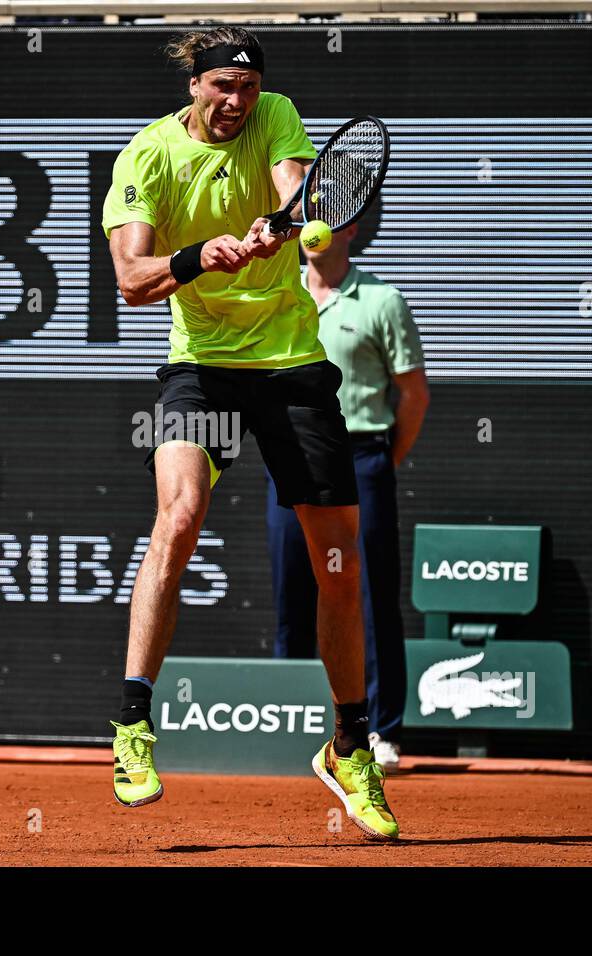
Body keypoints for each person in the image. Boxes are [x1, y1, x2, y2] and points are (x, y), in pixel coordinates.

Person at [100, 25, 399, 841]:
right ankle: (132, 726)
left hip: (294, 366)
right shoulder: (147, 158)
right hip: (202, 367)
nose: (236, 101)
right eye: (220, 87)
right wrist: (199, 258)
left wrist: (279, 221)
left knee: (338, 564)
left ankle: (348, 747)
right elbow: (131, 281)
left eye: (247, 87)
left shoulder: (277, 115)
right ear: (193, 86)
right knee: (180, 515)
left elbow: (307, 196)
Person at [265, 210, 429, 770]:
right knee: (293, 594)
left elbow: (413, 394)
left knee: (370, 597)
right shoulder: (281, 294)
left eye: (332, 223)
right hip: (292, 458)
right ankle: (287, 723)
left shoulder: (383, 302)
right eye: (310, 220)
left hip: (362, 458)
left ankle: (379, 731)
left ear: (352, 232)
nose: (317, 232)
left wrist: (383, 459)